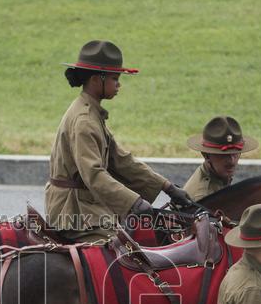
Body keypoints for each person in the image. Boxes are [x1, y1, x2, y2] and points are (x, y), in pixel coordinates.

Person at [45, 39, 191, 243]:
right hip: (74, 213)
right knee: (124, 253)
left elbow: (121, 160)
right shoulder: (85, 120)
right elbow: (94, 174)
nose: (119, 84)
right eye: (115, 78)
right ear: (97, 79)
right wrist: (134, 203)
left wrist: (167, 187)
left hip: (85, 207)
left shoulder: (91, 112)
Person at [182, 115, 257, 201]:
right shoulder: (204, 198)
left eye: (235, 153)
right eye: (223, 155)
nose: (232, 161)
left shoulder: (216, 177)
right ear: (206, 155)